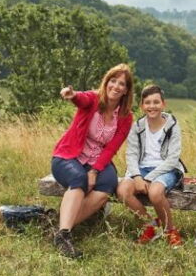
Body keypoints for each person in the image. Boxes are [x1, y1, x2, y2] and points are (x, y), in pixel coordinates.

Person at [51, 63, 134, 258]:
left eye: (121, 84)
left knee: (108, 185)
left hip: (96, 160)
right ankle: (64, 236)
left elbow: (112, 148)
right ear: (106, 82)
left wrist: (95, 171)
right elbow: (82, 99)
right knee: (79, 179)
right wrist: (72, 95)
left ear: (126, 90)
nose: (116, 86)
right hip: (68, 155)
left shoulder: (125, 116)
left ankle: (60, 228)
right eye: (113, 81)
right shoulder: (93, 99)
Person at [117, 84, 186, 246]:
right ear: (142, 106)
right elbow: (131, 154)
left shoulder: (172, 126)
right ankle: (150, 226)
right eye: (147, 102)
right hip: (141, 168)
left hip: (166, 169)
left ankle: (170, 230)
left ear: (163, 104)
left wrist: (148, 179)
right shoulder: (137, 126)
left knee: (155, 193)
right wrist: (137, 177)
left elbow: (172, 159)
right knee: (122, 191)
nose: (152, 106)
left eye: (156, 102)